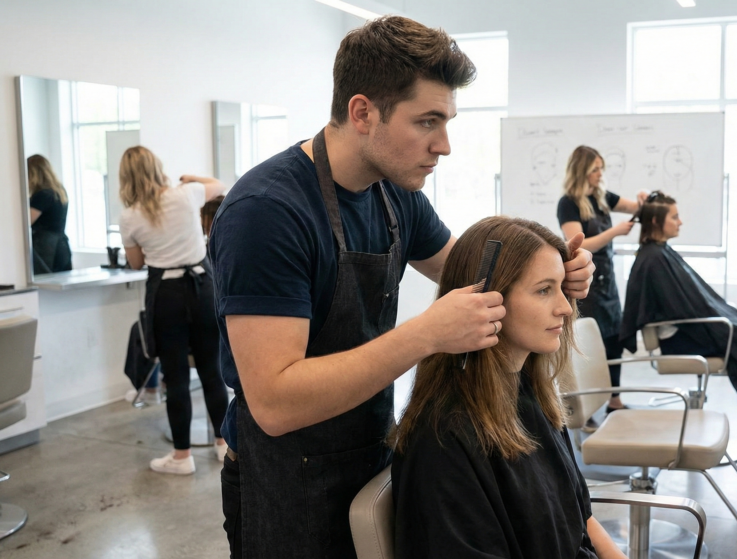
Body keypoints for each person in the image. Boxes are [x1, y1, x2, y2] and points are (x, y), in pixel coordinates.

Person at [208, 16, 594, 559]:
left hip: (369, 450)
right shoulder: (268, 214)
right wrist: (425, 336)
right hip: (286, 482)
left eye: (448, 121)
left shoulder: (395, 194)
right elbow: (274, 401)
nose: (445, 145)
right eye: (427, 122)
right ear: (362, 112)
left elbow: (476, 275)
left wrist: (554, 275)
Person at [391, 216, 625, 559]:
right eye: (544, 290)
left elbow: (581, 517)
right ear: (485, 302)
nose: (564, 307)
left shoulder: (532, 394)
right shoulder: (444, 439)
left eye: (562, 287)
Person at [118, 146, 230, 473]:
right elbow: (219, 185)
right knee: (211, 370)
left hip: (166, 295)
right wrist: (192, 177)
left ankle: (182, 457)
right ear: (157, 168)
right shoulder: (186, 194)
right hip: (201, 288)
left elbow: (136, 262)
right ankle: (223, 445)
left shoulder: (129, 216)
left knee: (176, 376)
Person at [620, 192, 737, 408]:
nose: (680, 222)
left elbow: (688, 303)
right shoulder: (654, 259)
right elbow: (680, 308)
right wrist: (719, 317)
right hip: (683, 339)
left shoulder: (658, 252)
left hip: (692, 329)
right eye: (674, 217)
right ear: (655, 221)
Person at [557, 146, 646, 414]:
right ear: (581, 170)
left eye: (601, 168)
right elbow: (580, 244)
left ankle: (614, 400)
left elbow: (635, 206)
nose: (600, 173)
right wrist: (615, 232)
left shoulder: (602, 197)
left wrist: (642, 199)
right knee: (588, 342)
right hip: (586, 284)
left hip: (608, 282)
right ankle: (583, 408)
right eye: (595, 169)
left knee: (614, 339)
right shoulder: (568, 204)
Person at [27, 154, 72, 274]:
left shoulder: (42, 195)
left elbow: (26, 222)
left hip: (45, 247)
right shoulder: (59, 192)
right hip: (61, 244)